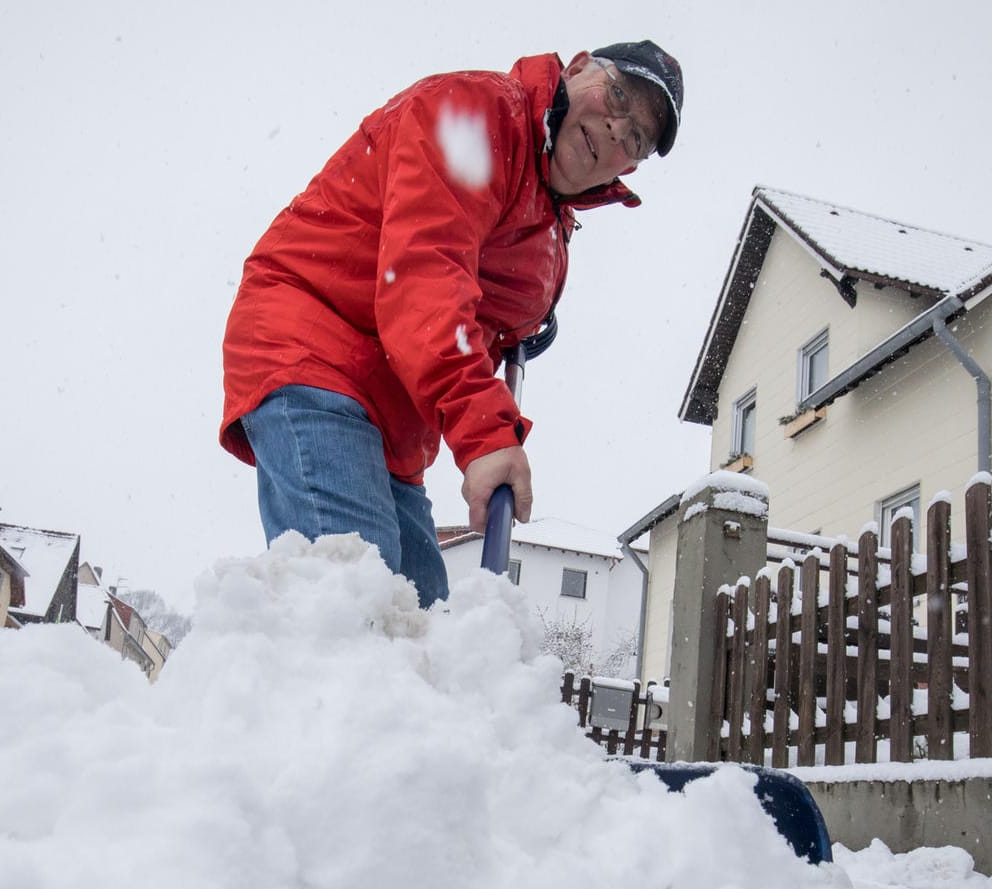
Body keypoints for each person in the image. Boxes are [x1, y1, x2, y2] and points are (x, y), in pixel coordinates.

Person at [221, 41, 684, 606]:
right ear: (579, 68)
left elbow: (473, 298)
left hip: (392, 408)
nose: (616, 128)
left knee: (422, 624)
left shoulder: (551, 215)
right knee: (354, 612)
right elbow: (424, 280)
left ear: (631, 166)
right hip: (315, 350)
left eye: (635, 136)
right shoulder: (474, 114)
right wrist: (485, 434)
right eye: (616, 96)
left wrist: (516, 329)